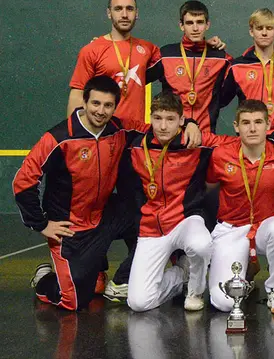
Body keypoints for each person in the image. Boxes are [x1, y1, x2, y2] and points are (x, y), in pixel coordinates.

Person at [17, 77, 198, 310]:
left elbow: (158, 128)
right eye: (95, 103)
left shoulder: (119, 128)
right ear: (84, 102)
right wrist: (41, 224)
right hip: (72, 227)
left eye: (108, 105)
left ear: (115, 107)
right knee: (73, 301)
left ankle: (125, 279)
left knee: (153, 215)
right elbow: (23, 181)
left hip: (106, 214)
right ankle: (44, 278)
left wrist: (189, 123)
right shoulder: (59, 138)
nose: (101, 111)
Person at [120, 92, 236, 312]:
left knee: (201, 244)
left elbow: (239, 142)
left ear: (181, 120)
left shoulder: (197, 142)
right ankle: (181, 274)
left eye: (170, 119)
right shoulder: (135, 143)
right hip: (151, 227)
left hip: (186, 219)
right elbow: (112, 121)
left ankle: (195, 291)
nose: (163, 126)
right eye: (157, 118)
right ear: (150, 118)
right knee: (138, 303)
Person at [68, 0, 225, 124]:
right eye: (118, 9)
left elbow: (182, 56)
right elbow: (77, 94)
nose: (124, 14)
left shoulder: (149, 49)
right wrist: (74, 136)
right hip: (104, 130)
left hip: (137, 133)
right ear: (109, 13)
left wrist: (203, 44)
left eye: (130, 9)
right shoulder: (92, 50)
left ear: (136, 13)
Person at [206, 99, 274, 314]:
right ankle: (246, 271)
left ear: (268, 125)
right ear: (236, 126)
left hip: (266, 227)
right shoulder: (221, 155)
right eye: (246, 122)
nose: (252, 128)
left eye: (258, 122)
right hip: (231, 229)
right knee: (224, 303)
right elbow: (209, 187)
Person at [220, 8, 274, 159]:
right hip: (247, 138)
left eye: (269, 28)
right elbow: (219, 100)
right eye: (259, 28)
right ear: (251, 31)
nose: (264, 33)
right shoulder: (237, 66)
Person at [146, 0, 232, 133]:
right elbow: (136, 80)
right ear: (181, 25)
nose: (195, 28)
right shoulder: (165, 55)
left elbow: (230, 92)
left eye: (200, 22)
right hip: (172, 136)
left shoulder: (221, 59)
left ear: (207, 25)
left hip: (206, 136)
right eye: (190, 23)